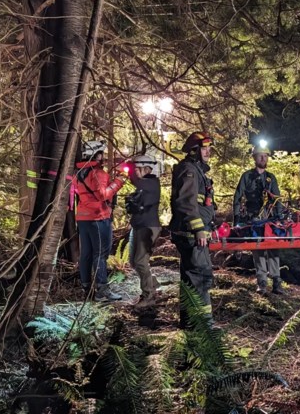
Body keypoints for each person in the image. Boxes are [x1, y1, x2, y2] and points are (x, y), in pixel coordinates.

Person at [170, 132, 216, 328]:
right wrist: (198, 229)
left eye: (208, 148)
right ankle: (201, 325)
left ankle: (191, 322)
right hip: (191, 234)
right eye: (204, 148)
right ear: (194, 151)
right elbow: (186, 203)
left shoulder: (195, 170)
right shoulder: (189, 170)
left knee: (192, 279)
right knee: (199, 277)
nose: (208, 152)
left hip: (194, 233)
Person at [74, 140, 125, 302]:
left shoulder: (78, 172)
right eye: (101, 153)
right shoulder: (98, 173)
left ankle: (86, 288)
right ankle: (102, 290)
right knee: (100, 254)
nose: (103, 156)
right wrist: (118, 182)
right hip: (98, 217)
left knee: (86, 254)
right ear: (96, 155)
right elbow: (103, 195)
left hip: (82, 217)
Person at [234, 145, 286, 295]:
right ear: (254, 158)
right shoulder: (247, 176)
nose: (263, 158)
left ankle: (276, 281)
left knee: (273, 248)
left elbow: (277, 199)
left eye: (266, 156)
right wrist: (236, 219)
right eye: (260, 155)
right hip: (253, 218)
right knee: (258, 248)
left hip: (270, 218)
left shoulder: (271, 178)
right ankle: (262, 282)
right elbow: (237, 197)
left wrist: (280, 218)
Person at [126, 155, 162, 308]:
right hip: (139, 226)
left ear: (147, 169)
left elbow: (136, 180)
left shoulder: (152, 183)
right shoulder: (144, 186)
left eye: (138, 169)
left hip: (148, 228)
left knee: (141, 261)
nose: (136, 172)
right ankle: (153, 283)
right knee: (134, 262)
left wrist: (129, 168)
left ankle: (149, 296)